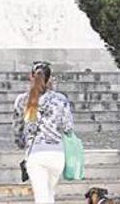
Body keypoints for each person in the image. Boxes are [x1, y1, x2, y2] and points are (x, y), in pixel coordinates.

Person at [13, 61, 74, 204]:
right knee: (49, 194)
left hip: (35, 153)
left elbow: (17, 129)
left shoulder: (22, 100)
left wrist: (23, 144)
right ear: (50, 78)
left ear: (31, 77)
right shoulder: (60, 99)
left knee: (41, 197)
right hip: (57, 154)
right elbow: (68, 127)